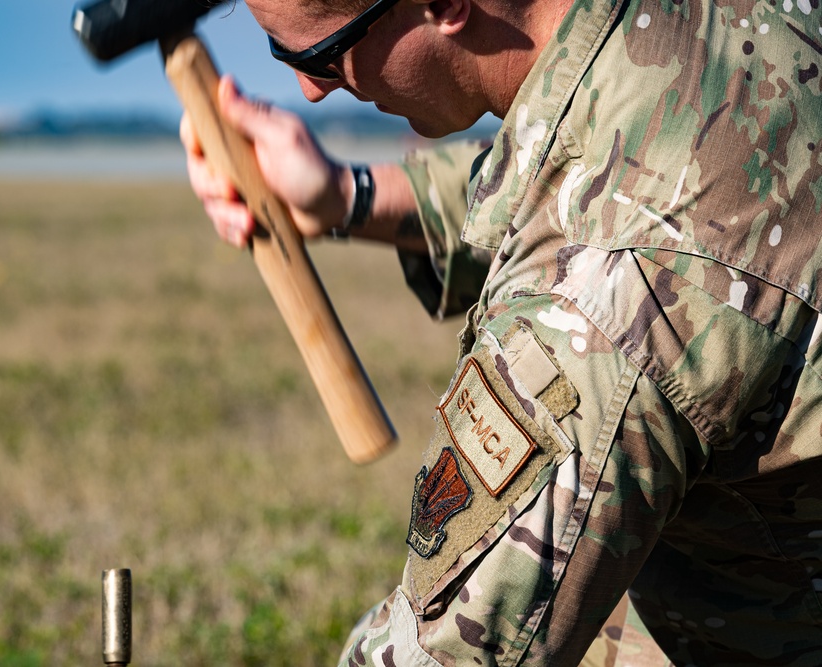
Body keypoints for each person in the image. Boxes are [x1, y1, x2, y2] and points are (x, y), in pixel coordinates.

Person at [182, 0, 822, 664]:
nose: (310, 89)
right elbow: (584, 156)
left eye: (321, 57)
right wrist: (350, 196)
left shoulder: (610, 297)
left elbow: (456, 649)